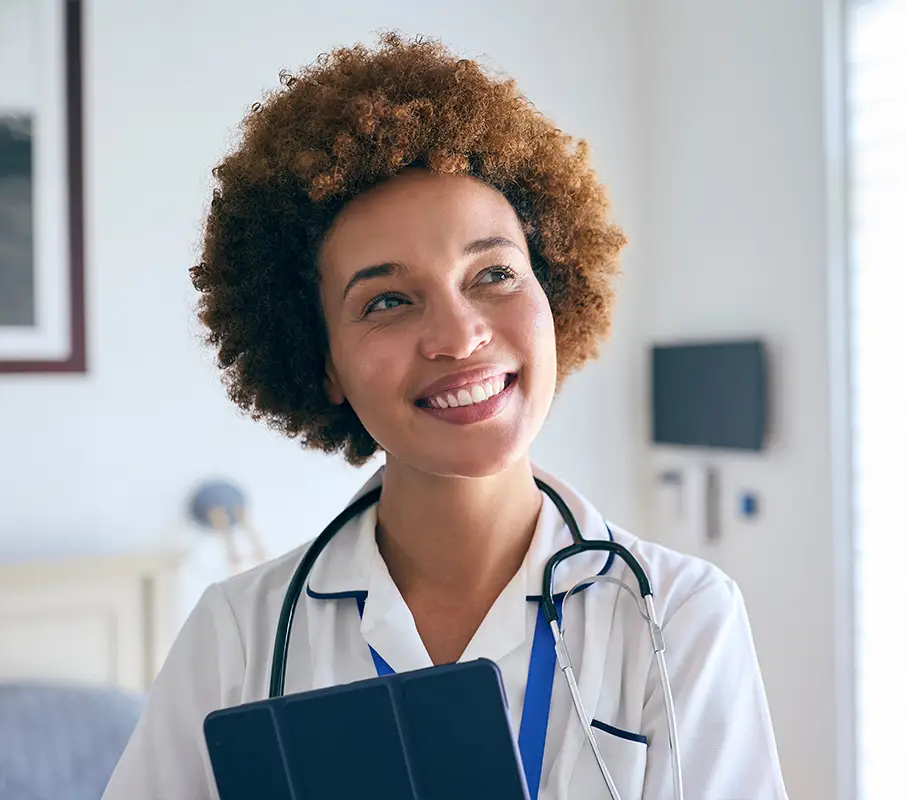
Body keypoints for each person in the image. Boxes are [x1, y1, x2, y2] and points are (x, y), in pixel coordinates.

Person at [102, 33, 787, 799]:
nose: (460, 336)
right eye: (387, 300)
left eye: (494, 273)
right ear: (320, 359)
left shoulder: (678, 614)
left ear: (553, 290)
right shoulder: (239, 634)